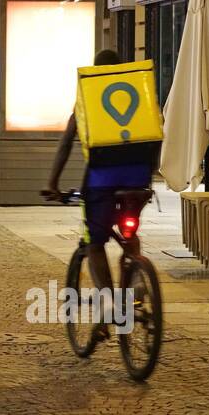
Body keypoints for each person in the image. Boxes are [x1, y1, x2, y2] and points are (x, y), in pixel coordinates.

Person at [42, 49, 150, 343]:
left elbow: (65, 144)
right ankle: (137, 278)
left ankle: (108, 309)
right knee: (130, 231)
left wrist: (53, 183)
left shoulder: (88, 98)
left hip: (102, 181)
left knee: (95, 243)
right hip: (139, 179)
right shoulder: (141, 94)